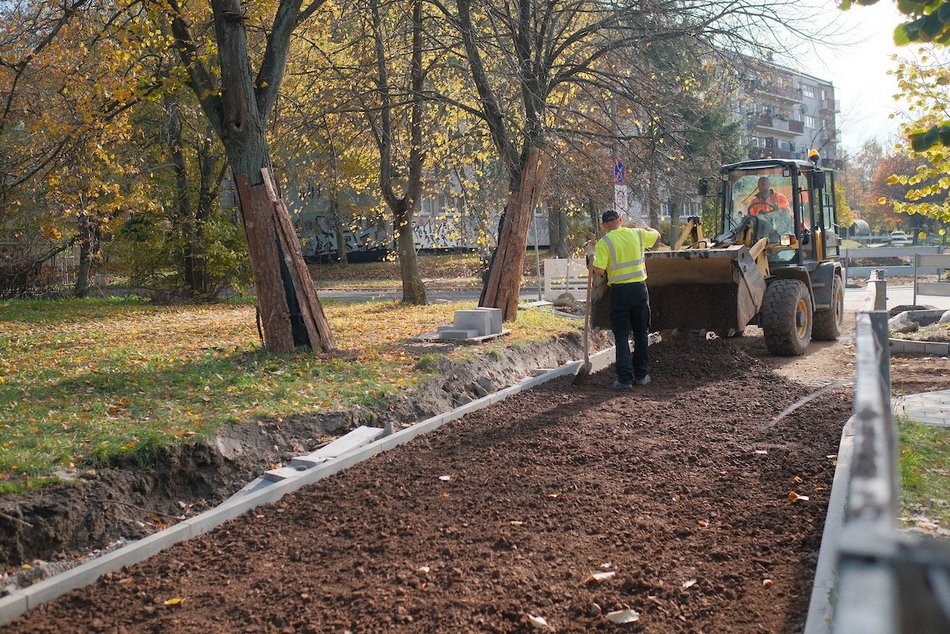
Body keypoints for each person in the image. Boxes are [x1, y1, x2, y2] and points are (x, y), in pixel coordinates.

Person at [590, 209, 660, 390]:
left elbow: (599, 270)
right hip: (639, 289)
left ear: (604, 226)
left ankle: (624, 380)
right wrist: (646, 227)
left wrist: (592, 254)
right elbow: (656, 236)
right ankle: (642, 375)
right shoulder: (637, 234)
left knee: (621, 335)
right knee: (641, 333)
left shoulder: (604, 242)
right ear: (620, 220)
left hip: (620, 292)